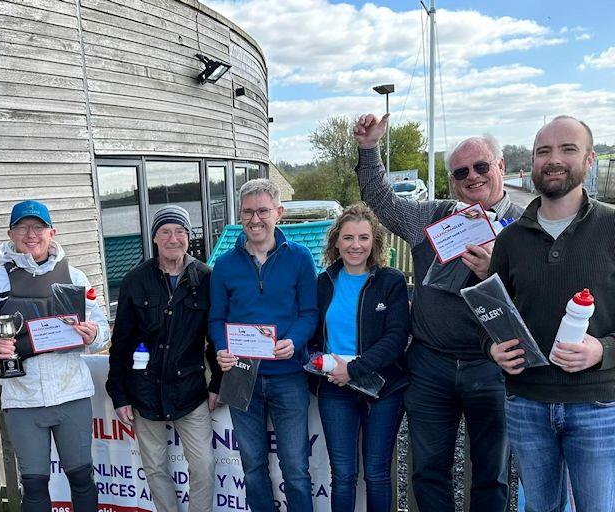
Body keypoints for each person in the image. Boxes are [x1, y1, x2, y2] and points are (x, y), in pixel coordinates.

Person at [353, 113, 523, 511]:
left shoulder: (524, 225)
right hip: (431, 365)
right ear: (452, 179)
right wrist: (368, 148)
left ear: (500, 167)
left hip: (493, 365)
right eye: (461, 171)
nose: (472, 176)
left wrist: (497, 271)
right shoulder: (432, 217)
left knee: (491, 474)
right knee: (428, 470)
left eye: (482, 166)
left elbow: (540, 298)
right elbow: (381, 200)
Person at [487, 115, 615, 511]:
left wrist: (602, 351)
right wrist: (493, 350)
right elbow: (489, 315)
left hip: (597, 406)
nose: (553, 159)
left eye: (567, 149)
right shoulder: (510, 240)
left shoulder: (611, 227)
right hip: (527, 403)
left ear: (590, 160)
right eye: (544, 151)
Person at [0, 200, 110, 512]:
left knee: (82, 478)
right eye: (23, 227)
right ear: (11, 233)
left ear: (51, 231)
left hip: (72, 395)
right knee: (34, 485)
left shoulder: (76, 277)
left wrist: (93, 334)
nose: (31, 234)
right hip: (23, 400)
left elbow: (102, 330)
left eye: (38, 226)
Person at [209, 179, 318, 512]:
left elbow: (309, 312)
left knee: (296, 468)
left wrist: (293, 340)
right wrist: (221, 348)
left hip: (288, 375)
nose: (255, 219)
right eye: (248, 212)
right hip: (242, 376)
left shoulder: (300, 258)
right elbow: (216, 319)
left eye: (263, 211)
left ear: (278, 213)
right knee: (252, 467)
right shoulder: (225, 265)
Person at [106, 205, 221, 512]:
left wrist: (218, 383)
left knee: (204, 466)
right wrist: (119, 394)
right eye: (166, 231)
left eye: (181, 231)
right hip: (144, 392)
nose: (174, 238)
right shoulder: (135, 280)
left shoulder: (207, 278)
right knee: (155, 468)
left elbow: (215, 337)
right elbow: (121, 344)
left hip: (191, 391)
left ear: (189, 237)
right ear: (155, 237)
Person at [308, 203, 409, 512]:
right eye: (348, 238)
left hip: (383, 390)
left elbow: (396, 339)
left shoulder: (391, 281)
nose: (356, 246)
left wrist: (353, 369)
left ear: (374, 242)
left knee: (377, 475)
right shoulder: (323, 283)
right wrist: (320, 365)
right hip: (335, 390)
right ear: (336, 241)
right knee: (343, 475)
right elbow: (312, 339)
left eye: (363, 238)